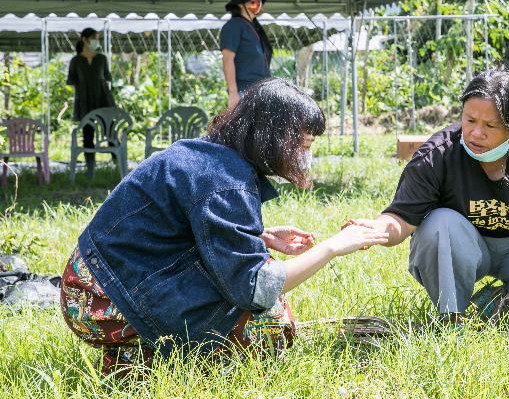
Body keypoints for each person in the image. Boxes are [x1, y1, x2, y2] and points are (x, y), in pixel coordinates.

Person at [59, 78, 388, 376]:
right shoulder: (228, 181)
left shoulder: (210, 155)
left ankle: (138, 358)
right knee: (272, 321)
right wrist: (335, 246)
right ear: (276, 138)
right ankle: (165, 360)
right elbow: (254, 288)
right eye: (303, 145)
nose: (305, 156)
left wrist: (258, 236)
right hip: (103, 301)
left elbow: (174, 229)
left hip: (91, 281)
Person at [348, 67, 509, 337]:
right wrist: (377, 230)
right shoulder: (438, 153)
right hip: (463, 247)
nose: (476, 133)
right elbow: (401, 217)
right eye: (469, 120)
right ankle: (451, 320)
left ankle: (493, 309)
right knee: (438, 223)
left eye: (490, 125)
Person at [66, 28, 116, 175]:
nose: (97, 41)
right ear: (85, 40)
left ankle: (118, 165)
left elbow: (106, 77)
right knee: (88, 136)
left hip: (103, 100)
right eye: (95, 38)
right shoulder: (75, 61)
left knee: (110, 133)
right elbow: (73, 82)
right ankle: (90, 169)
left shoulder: (101, 59)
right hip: (85, 102)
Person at [220, 0, 273, 107]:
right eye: (253, 0)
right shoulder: (234, 25)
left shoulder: (255, 28)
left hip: (263, 93)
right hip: (245, 93)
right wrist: (233, 94)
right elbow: (227, 59)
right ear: (240, 4)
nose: (258, 3)